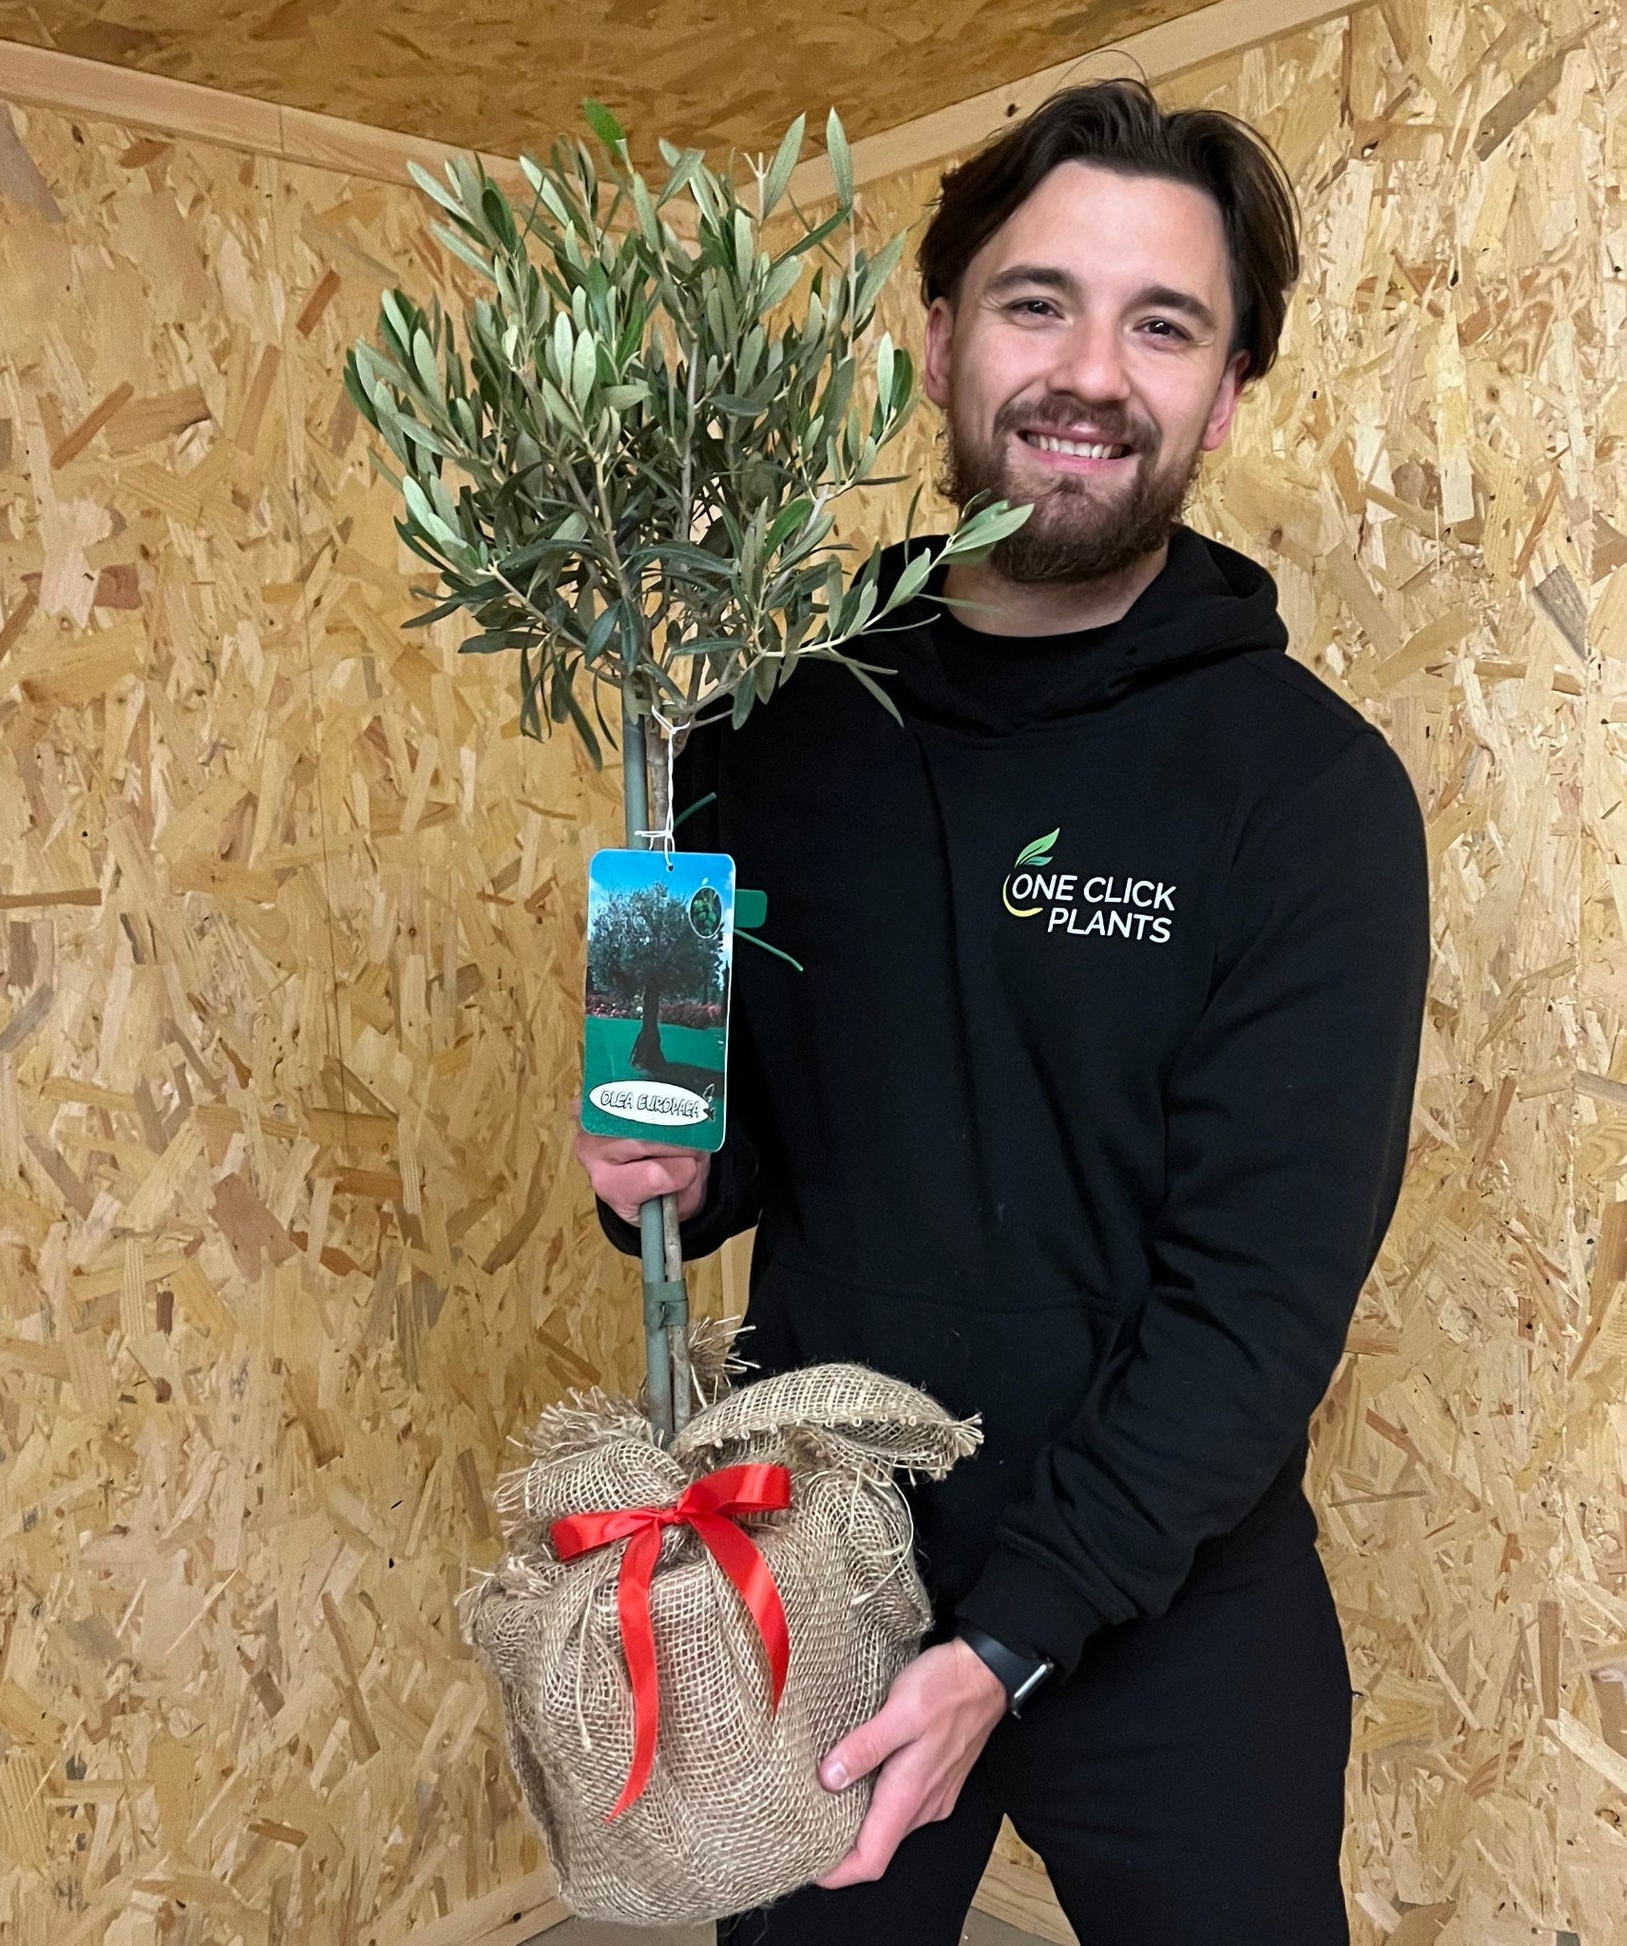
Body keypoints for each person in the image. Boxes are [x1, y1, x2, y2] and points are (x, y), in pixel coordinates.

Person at [579, 78, 1429, 1946]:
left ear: (1225, 392)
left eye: (1163, 325)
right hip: (813, 1561)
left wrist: (1013, 1635)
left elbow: (1256, 1303)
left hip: (1168, 1593)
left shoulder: (1304, 793)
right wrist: (658, 1159)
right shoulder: (761, 727)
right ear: (941, 330)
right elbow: (717, 1146)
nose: (1089, 375)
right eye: (1038, 302)